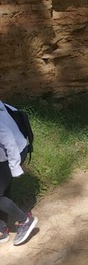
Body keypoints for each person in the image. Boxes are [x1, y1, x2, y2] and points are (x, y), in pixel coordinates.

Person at [0, 101, 38, 245]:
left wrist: (14, 166)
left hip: (14, 151)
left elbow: (8, 138)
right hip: (7, 153)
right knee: (2, 190)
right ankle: (2, 230)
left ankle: (25, 220)